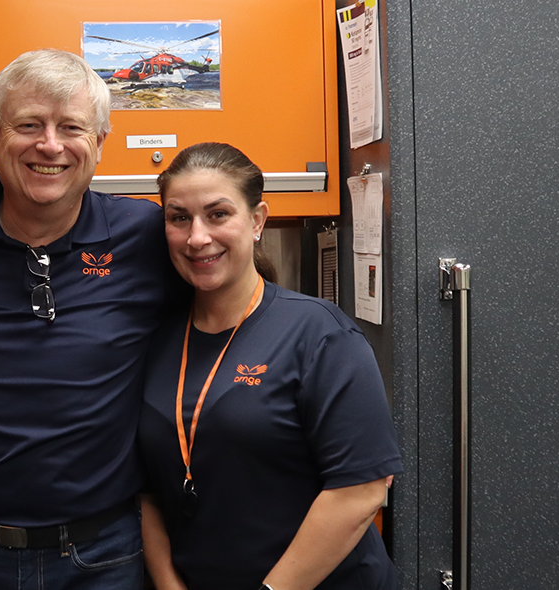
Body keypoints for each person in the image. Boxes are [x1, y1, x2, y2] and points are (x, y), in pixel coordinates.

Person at [0, 49, 183, 589]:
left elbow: (234, 297)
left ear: (101, 144)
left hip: (105, 559)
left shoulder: (146, 236)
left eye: (72, 127)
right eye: (29, 125)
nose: (50, 145)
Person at [139, 143, 402, 590]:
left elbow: (361, 491)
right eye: (179, 217)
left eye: (218, 214)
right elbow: (148, 490)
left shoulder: (320, 335)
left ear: (258, 220)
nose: (197, 236)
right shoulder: (156, 339)